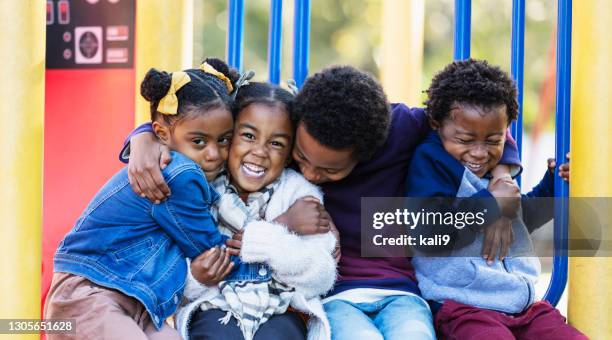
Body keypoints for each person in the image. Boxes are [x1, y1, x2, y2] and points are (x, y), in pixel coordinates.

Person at [122, 65, 522, 340]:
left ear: (363, 154)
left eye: (329, 171)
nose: (311, 175)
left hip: (399, 288)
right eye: (302, 157)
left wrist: (504, 173)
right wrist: (144, 135)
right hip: (333, 294)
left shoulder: (400, 130)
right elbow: (207, 111)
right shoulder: (295, 121)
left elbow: (473, 128)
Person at [44, 58, 240, 340]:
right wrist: (270, 252)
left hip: (141, 302)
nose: (215, 154)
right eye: (200, 142)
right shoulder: (179, 175)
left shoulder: (183, 162)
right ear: (162, 134)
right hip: (91, 294)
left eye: (224, 140)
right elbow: (210, 249)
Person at [405, 58, 586, 339]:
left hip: (522, 306)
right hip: (464, 307)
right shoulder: (431, 163)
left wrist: (555, 184)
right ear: (437, 125)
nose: (479, 153)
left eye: (492, 141)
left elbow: (523, 222)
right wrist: (490, 204)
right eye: (465, 140)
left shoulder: (497, 173)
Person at [176, 82, 337, 340]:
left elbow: (322, 275)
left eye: (276, 143)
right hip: (214, 305)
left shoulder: (299, 195)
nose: (260, 152)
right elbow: (170, 268)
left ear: (288, 155)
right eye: (248, 136)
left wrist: (270, 244)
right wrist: (195, 277)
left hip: (283, 310)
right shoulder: (198, 188)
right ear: (228, 137)